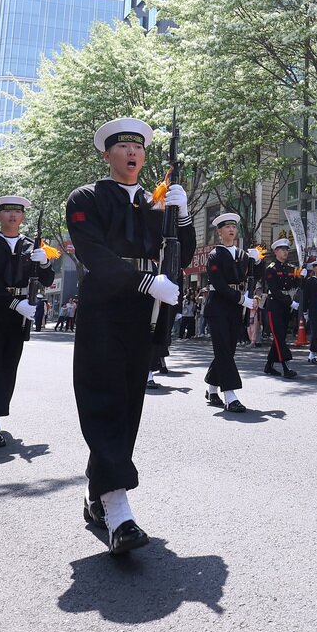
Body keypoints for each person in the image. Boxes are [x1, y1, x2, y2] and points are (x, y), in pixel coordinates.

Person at [66, 118, 194, 554]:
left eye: (138, 147)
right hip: (105, 306)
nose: (132, 153)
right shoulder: (87, 197)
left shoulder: (152, 205)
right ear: (108, 154)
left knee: (126, 404)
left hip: (145, 312)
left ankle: (97, 496)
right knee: (103, 398)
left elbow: (182, 252)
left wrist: (184, 216)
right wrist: (143, 281)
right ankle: (119, 513)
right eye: (122, 147)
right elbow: (93, 252)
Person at [0, 195, 54, 447]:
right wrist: (14, 303)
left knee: (9, 365)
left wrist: (45, 263)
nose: (12, 216)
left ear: (23, 217)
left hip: (21, 312)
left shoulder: (33, 245)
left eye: (17, 212)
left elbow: (48, 280)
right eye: (7, 211)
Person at [202, 213, 255, 412]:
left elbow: (249, 278)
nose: (231, 230)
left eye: (234, 226)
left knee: (227, 350)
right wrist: (243, 300)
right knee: (223, 349)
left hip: (234, 309)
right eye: (227, 227)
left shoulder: (242, 255)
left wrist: (256, 263)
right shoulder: (215, 254)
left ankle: (211, 388)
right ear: (219, 231)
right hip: (217, 307)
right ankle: (230, 396)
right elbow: (220, 285)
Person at [259, 238, 300, 378]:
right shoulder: (271, 269)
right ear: (276, 251)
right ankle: (286, 367)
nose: (285, 252)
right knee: (279, 336)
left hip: (286, 305)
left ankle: (269, 365)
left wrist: (301, 277)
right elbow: (275, 291)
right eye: (282, 249)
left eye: (286, 249)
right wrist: (289, 303)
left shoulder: (290, 268)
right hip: (275, 305)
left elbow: (294, 285)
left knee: (280, 336)